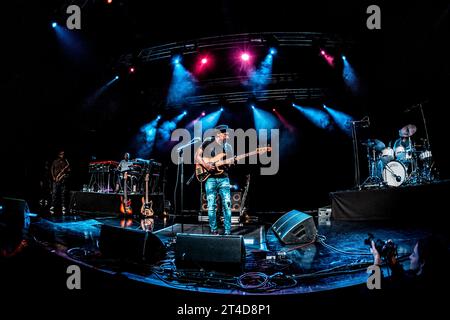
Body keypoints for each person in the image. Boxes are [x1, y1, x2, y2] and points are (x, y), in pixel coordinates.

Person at [371, 234, 449, 292]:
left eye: (414, 255)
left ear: (422, 262)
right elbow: (401, 276)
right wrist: (391, 257)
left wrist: (377, 260)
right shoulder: (425, 279)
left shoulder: (413, 285)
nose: (410, 257)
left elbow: (375, 288)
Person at [195, 125, 234, 235]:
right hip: (210, 178)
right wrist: (206, 165)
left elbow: (230, 164)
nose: (227, 135)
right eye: (225, 133)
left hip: (224, 179)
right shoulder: (208, 141)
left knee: (227, 205)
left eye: (227, 134)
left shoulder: (228, 147)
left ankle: (227, 231)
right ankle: (213, 230)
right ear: (218, 133)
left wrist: (229, 162)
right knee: (211, 206)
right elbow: (197, 156)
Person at [49, 150, 70, 215]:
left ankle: (63, 207)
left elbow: (68, 171)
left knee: (63, 194)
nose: (62, 155)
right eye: (61, 154)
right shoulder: (55, 161)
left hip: (63, 181)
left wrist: (64, 176)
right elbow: (51, 169)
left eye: (63, 154)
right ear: (59, 155)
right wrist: (53, 176)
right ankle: (52, 206)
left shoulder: (66, 162)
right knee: (54, 193)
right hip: (56, 180)